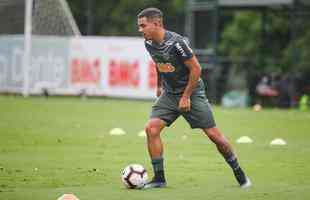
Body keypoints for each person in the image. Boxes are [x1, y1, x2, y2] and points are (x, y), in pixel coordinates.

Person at [137, 7, 251, 189]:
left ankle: (238, 171)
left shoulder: (177, 43)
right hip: (169, 93)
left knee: (215, 136)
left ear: (156, 23)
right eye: (139, 26)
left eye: (143, 25)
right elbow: (159, 63)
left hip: (192, 92)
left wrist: (186, 96)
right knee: (151, 129)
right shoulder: (149, 43)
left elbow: (196, 69)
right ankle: (159, 178)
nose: (140, 30)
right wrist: (159, 85)